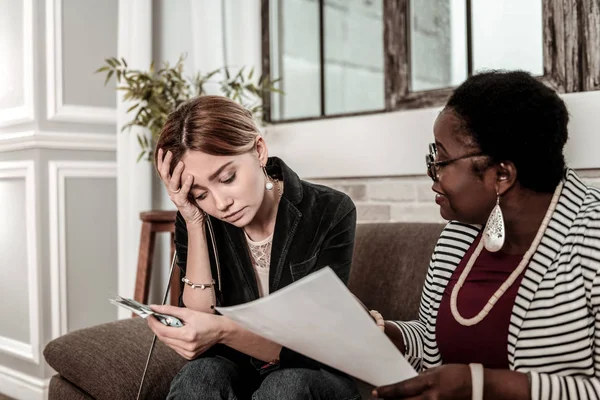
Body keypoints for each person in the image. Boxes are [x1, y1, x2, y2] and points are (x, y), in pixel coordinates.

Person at [375, 70, 600, 400]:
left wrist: (485, 386)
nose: (433, 174)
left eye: (441, 160)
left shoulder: (591, 238)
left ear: (501, 175)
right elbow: (432, 343)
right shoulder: (459, 234)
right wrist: (383, 333)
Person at [146, 95, 379, 400]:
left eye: (228, 178)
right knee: (199, 377)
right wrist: (193, 219)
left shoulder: (329, 210)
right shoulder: (200, 217)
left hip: (312, 374)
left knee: (285, 386)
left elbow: (316, 345)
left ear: (258, 150)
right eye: (202, 194)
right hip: (239, 370)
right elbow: (201, 323)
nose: (221, 203)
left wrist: (221, 330)